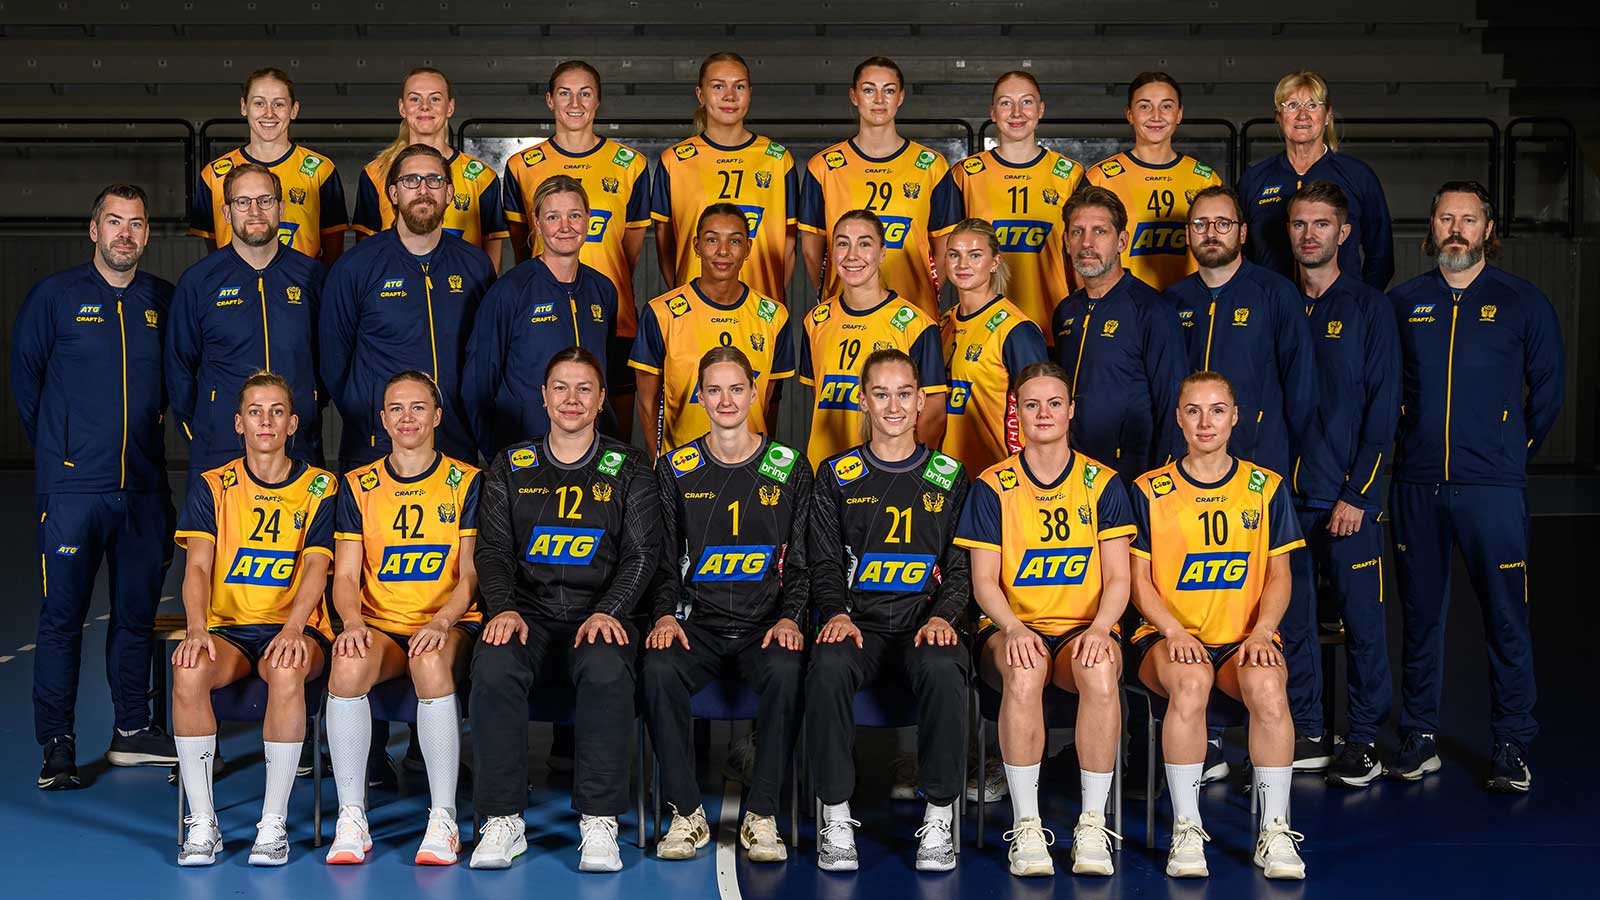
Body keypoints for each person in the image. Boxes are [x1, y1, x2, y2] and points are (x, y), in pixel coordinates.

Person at [1388, 180, 1564, 793]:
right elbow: (1385, 390)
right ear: (1431, 228)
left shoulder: (1522, 302)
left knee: (1505, 618)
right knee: (1419, 618)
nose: (1456, 230)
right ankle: (1419, 736)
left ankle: (1512, 742)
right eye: (1446, 218)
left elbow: (1548, 392)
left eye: (1468, 219)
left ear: (1488, 229)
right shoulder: (1404, 302)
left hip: (1492, 490)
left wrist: (1510, 452)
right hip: (1417, 486)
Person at [468, 347, 660, 871]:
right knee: (493, 664)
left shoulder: (630, 467)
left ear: (601, 400)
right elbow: (492, 551)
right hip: (528, 614)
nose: (571, 399)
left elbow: (643, 554)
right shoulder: (511, 465)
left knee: (606, 668)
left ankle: (599, 821)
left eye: (583, 389)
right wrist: (503, 608)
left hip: (599, 612)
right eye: (560, 388)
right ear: (544, 396)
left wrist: (611, 610)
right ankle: (502, 819)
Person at [12, 184, 178, 788]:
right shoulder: (55, 297)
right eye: (114, 222)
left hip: (144, 489)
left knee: (135, 617)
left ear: (147, 234)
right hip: (73, 493)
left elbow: (178, 382)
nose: (125, 234)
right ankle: (57, 744)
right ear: (94, 229)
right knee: (62, 619)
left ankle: (132, 729)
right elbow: (27, 382)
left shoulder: (162, 299)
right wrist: (65, 452)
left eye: (136, 223)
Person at [954, 361, 1134, 878]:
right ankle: (1027, 825)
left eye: (1054, 403)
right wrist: (1012, 627)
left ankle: (1093, 823)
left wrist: (1100, 629)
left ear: (1071, 410)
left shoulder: (1102, 483)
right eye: (1031, 405)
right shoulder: (993, 485)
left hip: (1083, 628)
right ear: (1017, 413)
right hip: (1012, 627)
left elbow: (1118, 578)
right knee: (1024, 668)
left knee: (1100, 670)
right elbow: (984, 581)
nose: (1044, 413)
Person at [1127, 371, 1308, 881]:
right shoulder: (1150, 489)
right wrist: (1173, 630)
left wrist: (1262, 630)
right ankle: (1187, 828)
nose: (1205, 422)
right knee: (1190, 681)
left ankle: (1274, 830)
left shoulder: (1265, 487)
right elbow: (1137, 580)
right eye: (1193, 410)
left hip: (1241, 637)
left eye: (1217, 410)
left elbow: (1279, 574)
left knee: (1269, 688)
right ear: (1179, 418)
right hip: (1168, 637)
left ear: (1235, 417)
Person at [1164, 185, 1320, 771]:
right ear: (1189, 234)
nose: (1211, 233)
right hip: (1190, 480)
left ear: (1243, 232)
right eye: (1201, 224)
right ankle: (1205, 739)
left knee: (1282, 604)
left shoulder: (1274, 294)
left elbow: (1302, 391)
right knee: (1194, 601)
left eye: (1222, 223)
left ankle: (1303, 728)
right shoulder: (1173, 300)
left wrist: (1288, 469)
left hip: (1259, 477)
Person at [806, 349, 971, 872]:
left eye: (904, 394)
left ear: (921, 401)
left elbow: (962, 567)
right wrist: (835, 612)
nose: (893, 406)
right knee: (827, 665)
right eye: (881, 394)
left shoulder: (950, 475)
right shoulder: (837, 474)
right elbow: (824, 562)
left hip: (925, 625)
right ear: (863, 401)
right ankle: (835, 815)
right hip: (860, 625)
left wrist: (944, 617)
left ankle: (939, 817)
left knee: (945, 669)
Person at [645, 347, 809, 864]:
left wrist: (790, 617)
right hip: (699, 626)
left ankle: (762, 815)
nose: (726, 400)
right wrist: (664, 614)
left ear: (755, 392)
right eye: (713, 390)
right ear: (699, 396)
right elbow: (662, 559)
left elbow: (802, 563)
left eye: (736, 388)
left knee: (788, 670)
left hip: (765, 626)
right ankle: (686, 813)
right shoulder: (676, 468)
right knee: (657, 667)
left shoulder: (789, 467)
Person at [169, 372, 338, 867]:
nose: (266, 421)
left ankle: (273, 822)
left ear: (293, 424)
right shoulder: (213, 485)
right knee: (188, 668)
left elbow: (317, 566)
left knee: (286, 667)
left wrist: (294, 627)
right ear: (239, 423)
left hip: (295, 627)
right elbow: (198, 567)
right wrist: (196, 628)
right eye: (256, 412)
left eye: (277, 411)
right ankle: (203, 822)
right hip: (229, 629)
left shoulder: (320, 486)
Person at [322, 372, 481, 865]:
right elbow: (345, 577)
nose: (407, 417)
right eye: (396, 408)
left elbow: (471, 574)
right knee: (347, 664)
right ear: (383, 420)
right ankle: (352, 817)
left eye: (418, 407)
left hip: (448, 620)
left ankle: (443, 817)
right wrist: (352, 623)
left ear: (437, 417)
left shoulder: (466, 480)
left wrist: (442, 622)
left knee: (430, 662)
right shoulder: (359, 484)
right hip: (382, 624)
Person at [1285, 181, 1400, 785]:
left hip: (1348, 499)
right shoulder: (1280, 302)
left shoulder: (1368, 307)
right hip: (1287, 500)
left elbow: (1384, 409)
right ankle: (1308, 729)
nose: (1310, 235)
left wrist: (1359, 494)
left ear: (1344, 232)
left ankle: (1364, 737)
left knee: (1362, 622)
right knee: (1295, 622)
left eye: (1321, 224)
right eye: (1300, 224)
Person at [321, 143, 497, 473]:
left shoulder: (475, 266)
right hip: (375, 445)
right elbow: (334, 360)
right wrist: (368, 416)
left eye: (434, 180)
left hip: (454, 441)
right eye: (411, 180)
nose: (423, 190)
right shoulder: (355, 267)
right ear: (393, 193)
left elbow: (486, 359)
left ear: (449, 192)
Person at [504, 60, 650, 439]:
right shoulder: (521, 165)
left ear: (598, 101)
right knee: (547, 418)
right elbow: (524, 247)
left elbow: (628, 252)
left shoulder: (630, 165)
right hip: (541, 313)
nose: (575, 103)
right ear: (550, 100)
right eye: (565, 93)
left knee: (613, 428)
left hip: (612, 315)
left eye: (585, 93)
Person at [168, 163, 327, 484]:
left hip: (297, 442)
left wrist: (308, 405)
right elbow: (178, 366)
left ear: (281, 208)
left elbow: (331, 357)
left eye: (265, 200)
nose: (255, 211)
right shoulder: (199, 281)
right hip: (221, 448)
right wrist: (207, 427)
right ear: (227, 212)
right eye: (243, 202)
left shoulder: (311, 277)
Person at [463, 175, 618, 456]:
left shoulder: (603, 290)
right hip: (526, 453)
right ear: (536, 222)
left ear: (588, 219)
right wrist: (497, 456)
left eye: (574, 215)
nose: (565, 226)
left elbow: (607, 376)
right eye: (553, 217)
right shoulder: (509, 291)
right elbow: (477, 385)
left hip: (591, 453)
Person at [799, 57, 958, 319]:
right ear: (854, 96)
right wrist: (835, 292)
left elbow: (945, 248)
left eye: (889, 90)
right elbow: (811, 250)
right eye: (869, 90)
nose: (879, 100)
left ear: (901, 97)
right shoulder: (823, 166)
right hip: (845, 313)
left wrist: (922, 295)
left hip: (913, 314)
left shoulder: (931, 165)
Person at [630, 203, 795, 456]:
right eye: (712, 240)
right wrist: (661, 465)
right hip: (683, 463)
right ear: (696, 246)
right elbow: (646, 402)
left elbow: (768, 403)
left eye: (735, 241)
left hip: (748, 464)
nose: (723, 251)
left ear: (748, 248)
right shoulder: (661, 313)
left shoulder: (774, 316)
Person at [1052, 186, 1187, 477]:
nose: (1087, 243)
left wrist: (1162, 481)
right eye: (1077, 232)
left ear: (1122, 241)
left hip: (1130, 476)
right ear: (1066, 241)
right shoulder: (1065, 312)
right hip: (1070, 474)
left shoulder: (1152, 310)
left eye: (1099, 231)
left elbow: (1172, 406)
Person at [799, 211, 948, 467]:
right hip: (824, 468)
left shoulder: (917, 325)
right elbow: (820, 395)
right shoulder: (815, 321)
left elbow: (933, 412)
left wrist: (904, 467)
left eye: (864, 244)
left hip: (888, 471)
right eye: (842, 243)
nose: (852, 255)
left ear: (882, 253)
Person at [942, 71, 1085, 337]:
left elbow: (1084, 255)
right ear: (993, 112)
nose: (1017, 112)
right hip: (982, 328)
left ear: (1041, 109)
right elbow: (946, 256)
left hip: (1053, 325)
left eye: (1026, 102)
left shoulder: (1070, 175)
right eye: (1006, 103)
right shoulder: (965, 174)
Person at [654, 51, 798, 305]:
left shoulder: (777, 159)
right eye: (718, 86)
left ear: (750, 93)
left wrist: (768, 300)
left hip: (759, 310)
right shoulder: (674, 161)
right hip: (695, 311)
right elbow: (665, 245)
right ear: (700, 95)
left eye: (739, 86)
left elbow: (788, 243)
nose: (729, 96)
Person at [1240, 71, 1394, 290]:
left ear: (1328, 115)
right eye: (1292, 105)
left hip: (1340, 306)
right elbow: (1240, 254)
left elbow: (1381, 254)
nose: (1302, 115)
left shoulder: (1358, 176)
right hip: (1271, 307)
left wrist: (1360, 302)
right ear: (1279, 116)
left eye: (1313, 105)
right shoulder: (1254, 180)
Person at [352, 67, 508, 269]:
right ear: (402, 107)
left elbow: (491, 259)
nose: (424, 107)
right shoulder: (376, 173)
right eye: (414, 99)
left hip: (462, 286)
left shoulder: (482, 177)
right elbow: (365, 253)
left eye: (435, 99)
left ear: (450, 107)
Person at [190, 67, 348, 266]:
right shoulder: (213, 175)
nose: (269, 113)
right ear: (244, 107)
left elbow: (334, 253)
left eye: (279, 104)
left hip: (302, 284)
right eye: (259, 103)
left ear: (294, 110)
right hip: (235, 284)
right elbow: (215, 252)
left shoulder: (321, 170)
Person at [1086, 72, 1223, 291]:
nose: (1156, 116)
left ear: (1179, 114)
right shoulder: (1100, 178)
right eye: (1145, 106)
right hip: (1124, 303)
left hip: (1189, 302)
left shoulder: (1204, 179)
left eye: (1166, 106)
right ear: (1130, 114)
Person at [939, 217, 1049, 476]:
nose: (962, 264)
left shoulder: (1016, 330)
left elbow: (1040, 414)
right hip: (945, 471)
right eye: (954, 255)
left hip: (996, 474)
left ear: (994, 262)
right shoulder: (944, 322)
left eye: (975, 255)